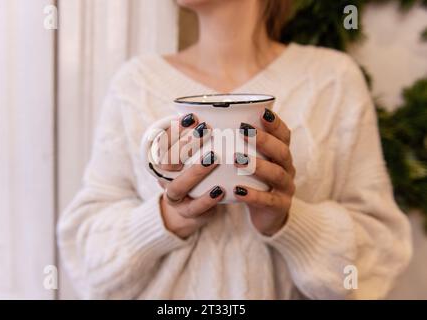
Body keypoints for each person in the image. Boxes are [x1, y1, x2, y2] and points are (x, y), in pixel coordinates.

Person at [57, 0, 412, 299]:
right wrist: (168, 217)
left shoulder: (333, 79)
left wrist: (289, 221)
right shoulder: (135, 83)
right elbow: (88, 262)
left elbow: (377, 261)